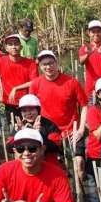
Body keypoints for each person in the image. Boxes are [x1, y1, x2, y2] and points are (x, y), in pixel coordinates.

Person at [29, 50, 89, 178]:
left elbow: (84, 106)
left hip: (72, 131)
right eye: (44, 64)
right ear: (40, 66)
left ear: (57, 63)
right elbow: (31, 110)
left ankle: (82, 190)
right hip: (49, 133)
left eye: (51, 63)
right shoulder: (35, 84)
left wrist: (81, 129)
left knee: (79, 164)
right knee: (56, 170)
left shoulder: (72, 82)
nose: (48, 67)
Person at [0, 34, 39, 125]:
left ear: (21, 47)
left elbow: (34, 82)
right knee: (14, 131)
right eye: (10, 44)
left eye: (16, 44)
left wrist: (16, 88)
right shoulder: (0, 61)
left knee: (31, 130)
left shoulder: (31, 63)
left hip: (28, 103)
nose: (14, 47)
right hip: (9, 103)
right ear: (6, 48)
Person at [12, 94, 63, 167]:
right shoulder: (19, 126)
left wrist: (38, 134)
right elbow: (9, 147)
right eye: (24, 111)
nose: (28, 113)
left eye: (31, 110)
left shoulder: (49, 125)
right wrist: (19, 133)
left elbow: (55, 146)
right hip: (25, 165)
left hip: (47, 164)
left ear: (38, 110)